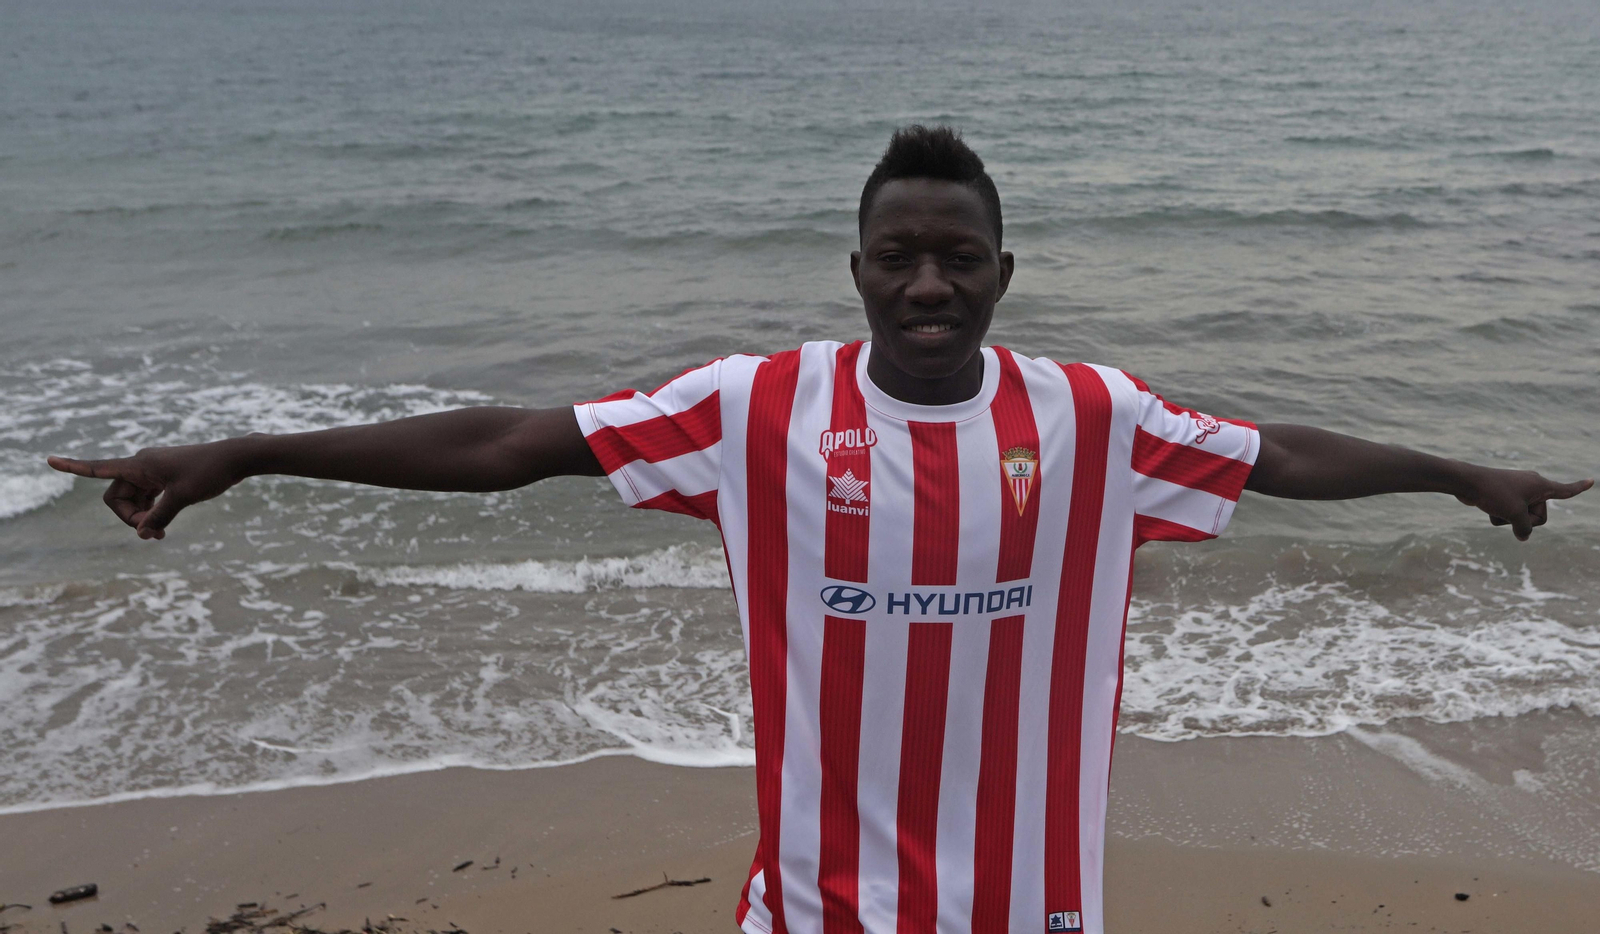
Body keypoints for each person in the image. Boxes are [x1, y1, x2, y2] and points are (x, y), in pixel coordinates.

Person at [48, 125, 1590, 934]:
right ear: (856, 267)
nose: (930, 283)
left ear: (1004, 270)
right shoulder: (754, 407)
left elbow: (1282, 457)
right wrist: (247, 450)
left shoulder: (1096, 417)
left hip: (1041, 902)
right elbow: (509, 443)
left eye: (960, 258)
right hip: (817, 908)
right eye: (900, 257)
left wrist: (1462, 471)